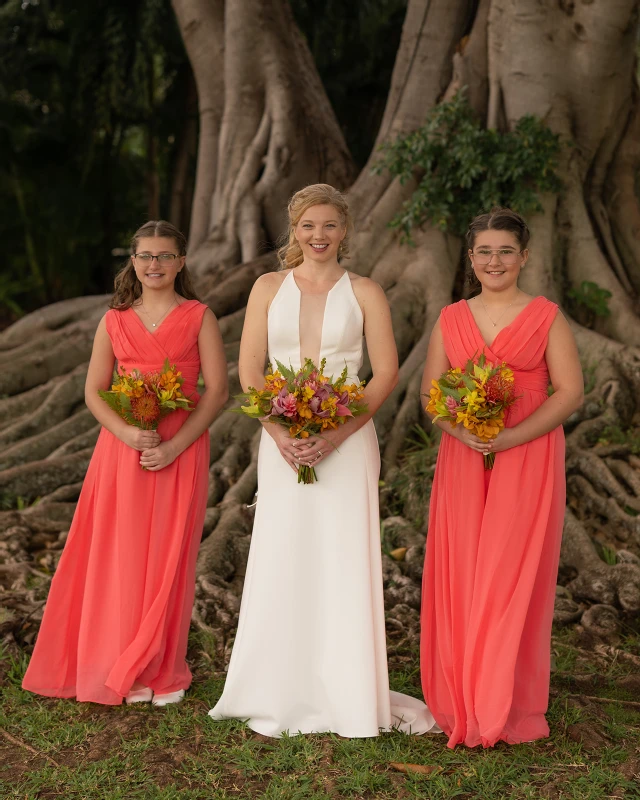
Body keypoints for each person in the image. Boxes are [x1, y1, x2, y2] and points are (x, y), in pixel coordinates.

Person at [209, 184, 439, 737]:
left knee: (341, 556)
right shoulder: (267, 288)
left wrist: (334, 437)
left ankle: (346, 690)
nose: (319, 236)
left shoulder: (366, 292)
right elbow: (251, 370)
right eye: (309, 225)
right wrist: (279, 431)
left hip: (347, 440)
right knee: (285, 552)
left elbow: (384, 373)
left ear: (345, 231)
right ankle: (278, 684)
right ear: (295, 229)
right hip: (281, 439)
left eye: (330, 226)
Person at [22, 220, 228, 706]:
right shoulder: (114, 319)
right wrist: (129, 434)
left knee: (170, 554)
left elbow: (217, 391)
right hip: (122, 449)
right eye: (145, 256)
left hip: (182, 446)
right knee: (121, 554)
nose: (153, 265)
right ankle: (118, 663)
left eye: (164, 256)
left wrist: (173, 448)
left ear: (181, 263)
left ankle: (161, 666)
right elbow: (94, 391)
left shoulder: (200, 316)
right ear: (132, 262)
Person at [420, 207, 584, 747]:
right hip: (464, 457)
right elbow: (432, 394)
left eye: (505, 251)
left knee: (511, 573)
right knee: (466, 569)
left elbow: (569, 392)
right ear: (471, 259)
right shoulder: (450, 317)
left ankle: (506, 704)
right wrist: (457, 429)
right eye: (485, 252)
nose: (495, 261)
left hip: (528, 455)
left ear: (524, 256)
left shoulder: (546, 315)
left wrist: (514, 438)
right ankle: (463, 697)